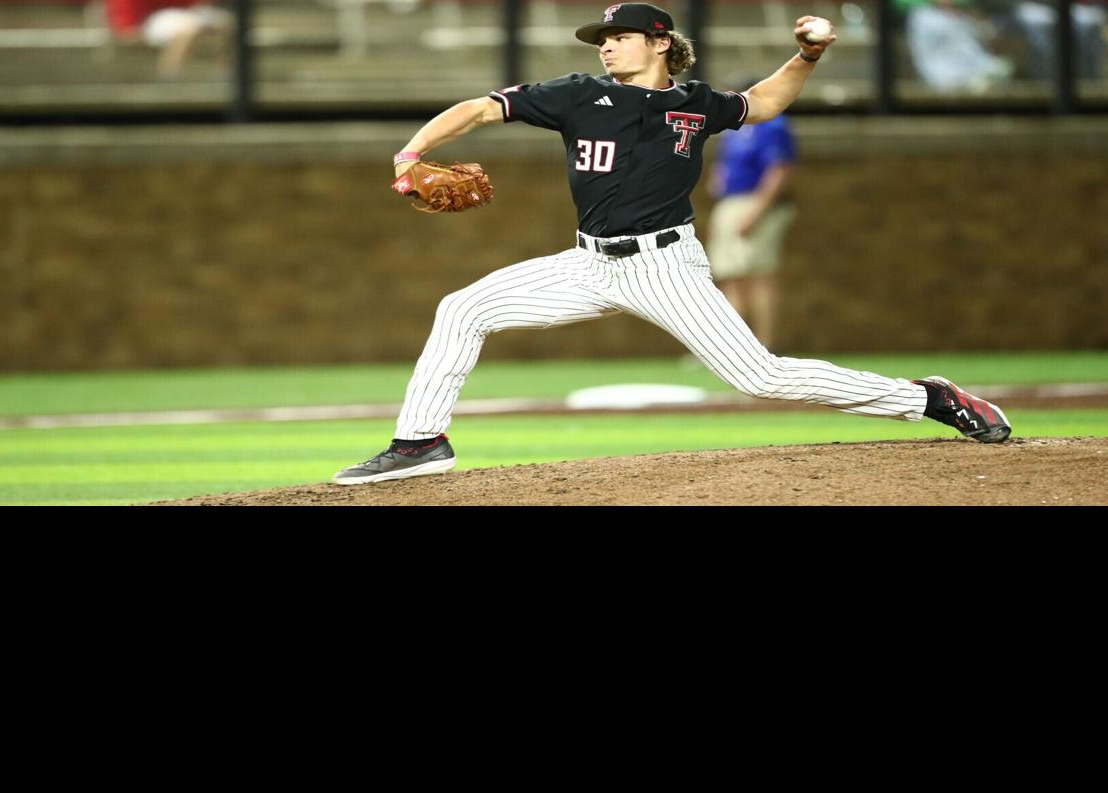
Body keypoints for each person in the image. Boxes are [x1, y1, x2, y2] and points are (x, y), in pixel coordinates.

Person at [332, 4, 1011, 486]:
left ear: (658, 42)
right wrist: (412, 150)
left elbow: (763, 104)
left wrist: (808, 55)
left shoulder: (695, 103)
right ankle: (420, 441)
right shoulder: (576, 96)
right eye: (602, 37)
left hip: (664, 264)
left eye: (620, 35)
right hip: (589, 262)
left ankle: (928, 399)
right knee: (462, 308)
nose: (606, 45)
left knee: (761, 377)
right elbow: (481, 107)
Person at [706, 74, 798, 351]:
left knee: (758, 275)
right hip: (731, 202)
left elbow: (779, 170)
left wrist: (756, 212)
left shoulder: (772, 123)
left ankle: (763, 347)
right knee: (731, 277)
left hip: (754, 204)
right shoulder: (736, 128)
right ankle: (730, 348)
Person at [104, 0, 231, 78]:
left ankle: (224, 73)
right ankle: (169, 76)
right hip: (146, 24)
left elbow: (194, 7)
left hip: (180, 16)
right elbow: (127, 28)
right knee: (188, 28)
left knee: (228, 24)